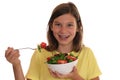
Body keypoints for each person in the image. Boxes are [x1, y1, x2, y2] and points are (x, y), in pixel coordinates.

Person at [5, 2, 102, 80]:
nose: (63, 31)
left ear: (78, 27)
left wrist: (74, 76)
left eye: (69, 25)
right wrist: (16, 64)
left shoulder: (86, 53)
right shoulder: (40, 54)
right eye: (58, 24)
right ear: (51, 26)